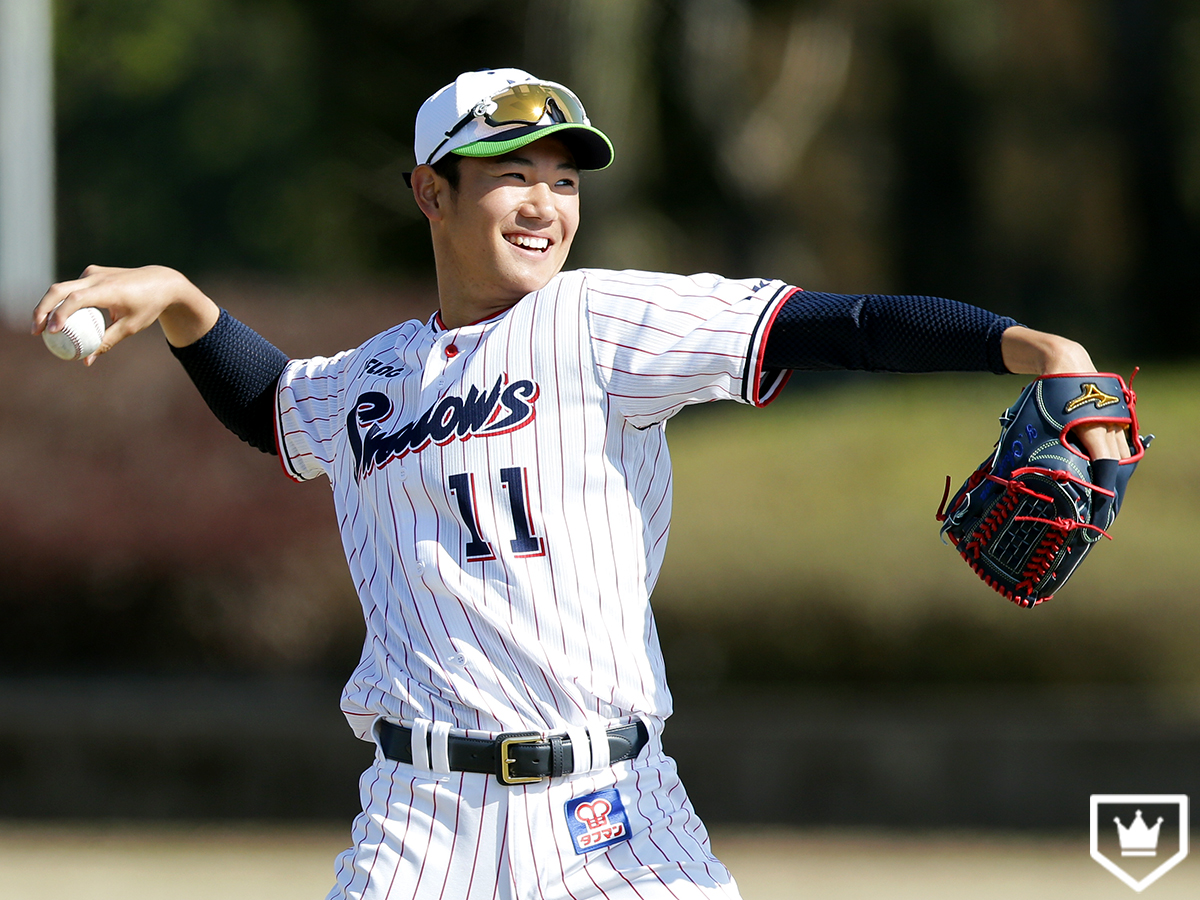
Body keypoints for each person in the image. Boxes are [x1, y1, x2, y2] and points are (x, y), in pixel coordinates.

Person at [32, 68, 1130, 900]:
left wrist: (1023, 347)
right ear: (432, 191)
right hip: (418, 821)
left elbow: (828, 322)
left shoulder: (600, 320)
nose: (544, 204)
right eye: (511, 173)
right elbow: (271, 406)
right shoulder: (370, 381)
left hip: (615, 815)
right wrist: (181, 303)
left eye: (562, 180)